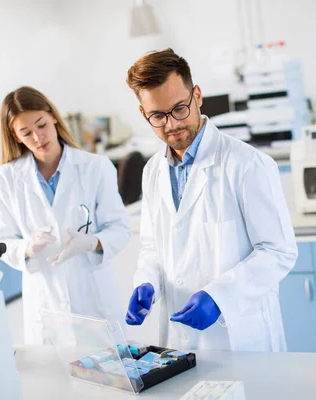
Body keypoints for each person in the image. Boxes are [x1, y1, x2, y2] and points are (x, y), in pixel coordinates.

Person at [123, 49, 298, 352]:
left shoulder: (247, 164)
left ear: (197, 96)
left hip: (240, 340)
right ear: (143, 114)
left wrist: (221, 296)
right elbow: (153, 247)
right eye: (157, 116)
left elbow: (278, 251)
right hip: (180, 339)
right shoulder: (153, 172)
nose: (172, 125)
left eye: (180, 109)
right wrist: (146, 281)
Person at [0, 86, 130, 344]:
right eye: (26, 132)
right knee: (55, 381)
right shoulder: (8, 177)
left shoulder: (95, 167)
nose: (37, 137)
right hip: (45, 304)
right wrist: (27, 247)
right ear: (16, 136)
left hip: (93, 298)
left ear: (53, 116)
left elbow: (120, 229)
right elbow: (1, 242)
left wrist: (90, 242)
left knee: (109, 378)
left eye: (41, 125)